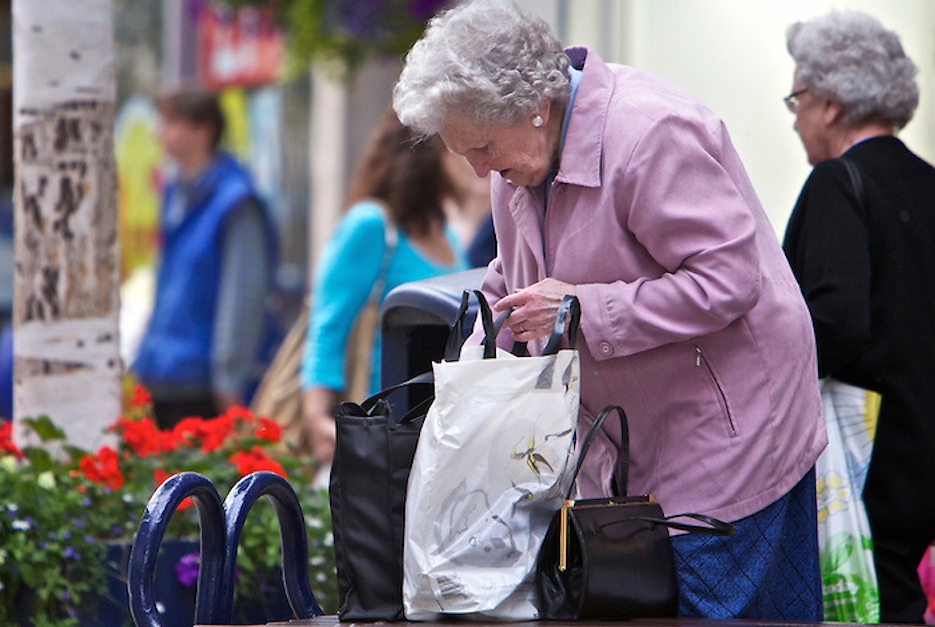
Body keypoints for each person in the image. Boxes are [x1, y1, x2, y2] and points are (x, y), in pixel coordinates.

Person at [393, 1, 826, 620]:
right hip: (630, 440)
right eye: (464, 152)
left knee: (714, 607)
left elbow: (729, 278)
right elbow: (526, 264)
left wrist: (578, 307)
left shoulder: (650, 134)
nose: (478, 170)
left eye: (482, 147)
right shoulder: (517, 153)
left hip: (731, 428)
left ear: (533, 107)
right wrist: (490, 316)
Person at [781, 11, 935, 623]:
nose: (794, 118)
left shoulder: (837, 183)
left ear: (830, 103)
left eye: (798, 99)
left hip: (867, 454)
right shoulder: (927, 184)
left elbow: (837, 322)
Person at [300, 109, 468, 474]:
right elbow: (328, 325)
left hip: (438, 436)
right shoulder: (372, 225)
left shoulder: (450, 237)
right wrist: (318, 420)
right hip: (378, 433)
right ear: (429, 156)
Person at [133, 86, 277, 429]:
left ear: (203, 130)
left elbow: (241, 295)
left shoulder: (236, 200)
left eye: (170, 122)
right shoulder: (173, 191)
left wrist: (229, 378)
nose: (159, 132)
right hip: (164, 372)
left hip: (205, 384)